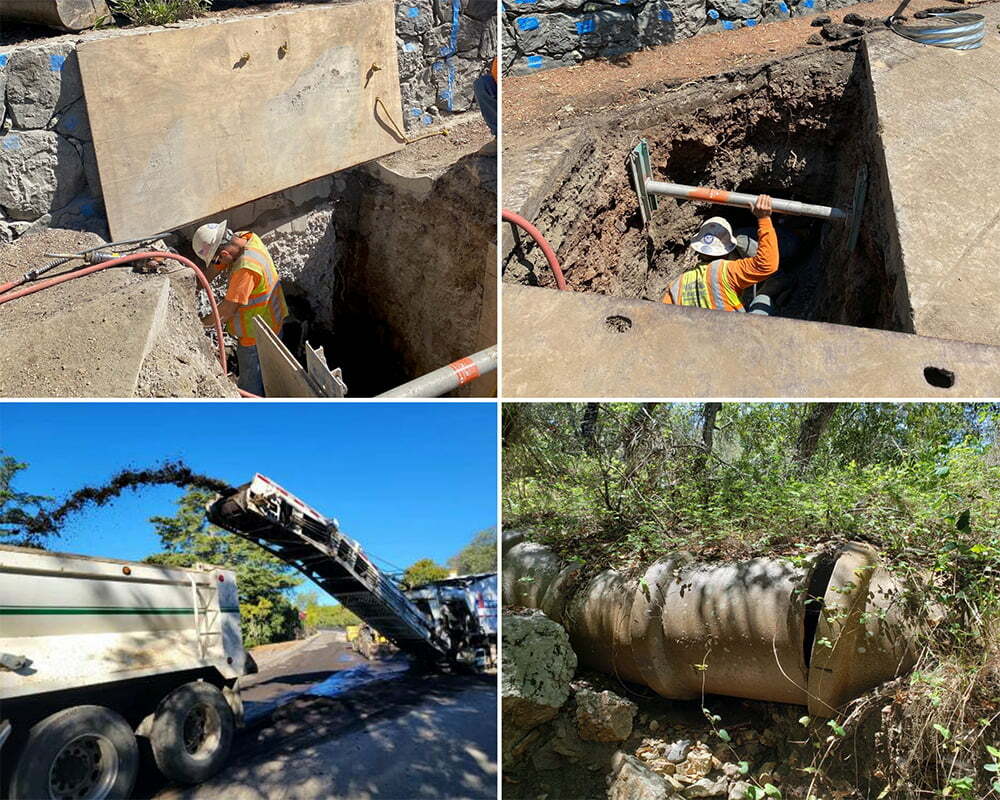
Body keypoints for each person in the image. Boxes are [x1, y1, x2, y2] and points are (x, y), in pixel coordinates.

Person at [191, 221, 287, 396]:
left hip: (256, 336)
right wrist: (195, 288)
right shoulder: (246, 237)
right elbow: (216, 267)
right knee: (270, 373)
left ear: (225, 253)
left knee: (250, 385)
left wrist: (197, 324)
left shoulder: (245, 269)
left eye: (215, 259)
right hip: (274, 318)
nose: (216, 264)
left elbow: (227, 310)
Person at [661, 195, 780, 313]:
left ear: (698, 250)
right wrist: (764, 219)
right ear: (728, 251)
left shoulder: (678, 284)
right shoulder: (726, 271)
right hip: (735, 330)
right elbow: (767, 265)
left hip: (696, 331)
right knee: (762, 298)